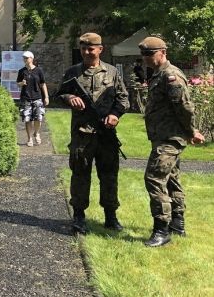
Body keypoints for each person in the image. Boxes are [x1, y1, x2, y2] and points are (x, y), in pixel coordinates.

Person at [58, 32, 129, 235]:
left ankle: (110, 216)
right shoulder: (73, 73)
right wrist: (69, 97)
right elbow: (60, 95)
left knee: (109, 176)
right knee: (80, 176)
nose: (87, 52)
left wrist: (115, 115)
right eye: (83, 48)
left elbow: (123, 99)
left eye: (91, 48)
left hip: (106, 135)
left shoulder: (112, 73)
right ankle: (79, 217)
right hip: (82, 136)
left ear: (100, 49)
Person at [138, 36, 206, 247]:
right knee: (171, 179)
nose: (146, 59)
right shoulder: (158, 74)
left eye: (150, 54)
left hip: (171, 138)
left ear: (163, 52)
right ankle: (178, 224)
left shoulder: (171, 76)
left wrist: (191, 130)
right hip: (164, 135)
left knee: (154, 178)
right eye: (144, 55)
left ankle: (162, 229)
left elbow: (184, 107)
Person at [17, 51, 49, 147]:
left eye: (27, 58)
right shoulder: (22, 71)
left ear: (32, 58)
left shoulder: (39, 71)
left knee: (38, 118)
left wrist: (46, 97)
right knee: (27, 119)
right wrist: (21, 83)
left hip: (37, 97)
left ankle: (36, 133)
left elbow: (43, 84)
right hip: (25, 97)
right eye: (24, 58)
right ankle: (29, 138)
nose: (25, 60)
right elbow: (18, 83)